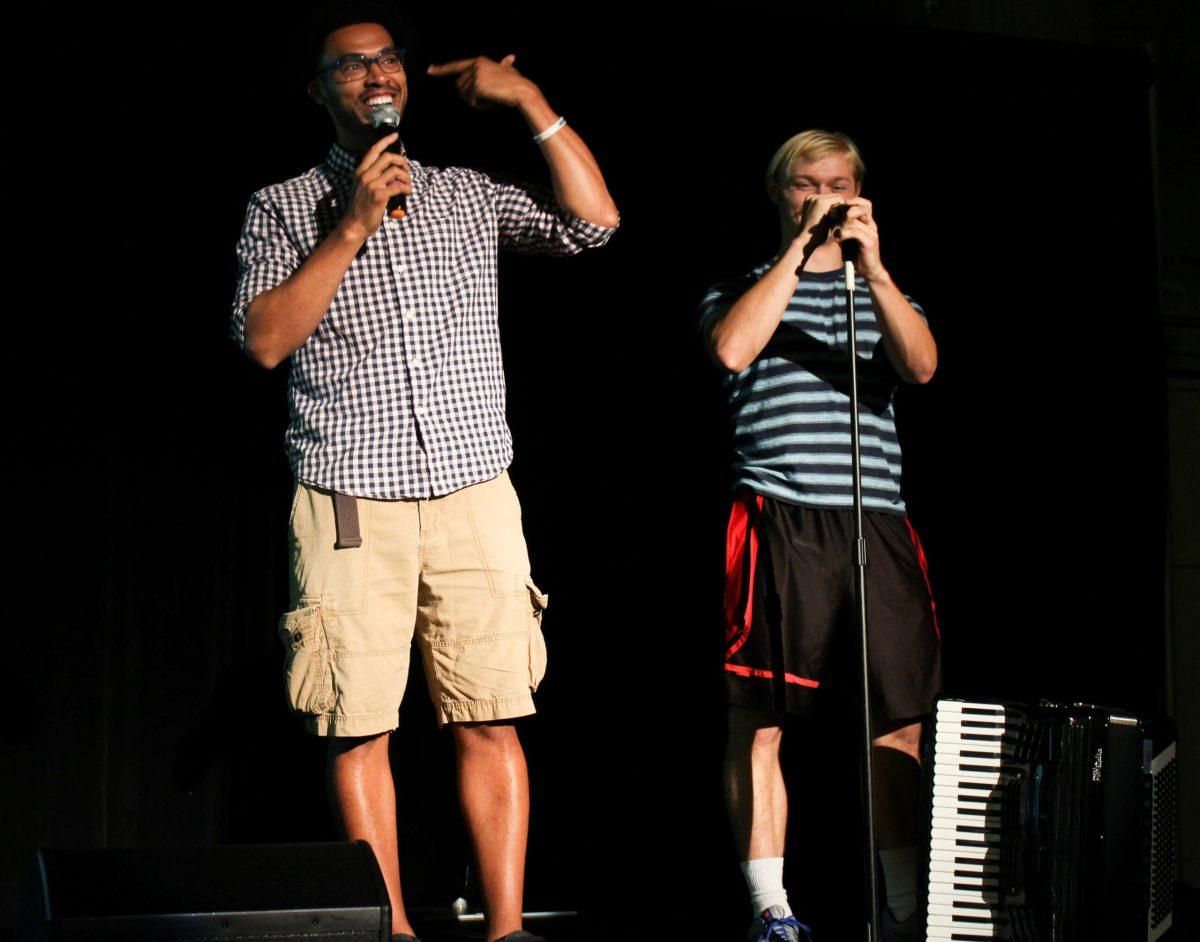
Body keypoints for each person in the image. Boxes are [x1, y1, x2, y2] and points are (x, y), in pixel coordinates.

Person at [230, 4, 618, 941]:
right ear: (319, 89)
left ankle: (507, 928)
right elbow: (265, 341)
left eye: (389, 60)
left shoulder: (462, 192)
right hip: (350, 492)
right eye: (352, 65)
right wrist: (353, 225)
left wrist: (529, 100)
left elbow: (595, 225)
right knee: (360, 725)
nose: (378, 75)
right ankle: (392, 930)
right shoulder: (282, 206)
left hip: (472, 488)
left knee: (491, 713)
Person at [699, 130, 940, 942]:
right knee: (760, 718)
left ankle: (902, 911)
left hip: (876, 520)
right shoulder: (742, 289)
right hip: (781, 516)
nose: (828, 197)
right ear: (781, 193)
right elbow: (732, 348)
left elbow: (923, 366)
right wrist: (802, 249)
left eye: (841, 184)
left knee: (897, 719)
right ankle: (773, 910)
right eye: (809, 185)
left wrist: (871, 267)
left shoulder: (882, 295)